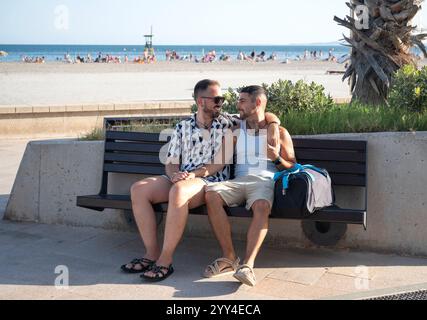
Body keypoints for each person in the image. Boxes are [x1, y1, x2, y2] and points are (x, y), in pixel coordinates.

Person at [121, 80, 281, 282]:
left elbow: (263, 113)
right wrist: (173, 174)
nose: (220, 103)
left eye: (221, 99)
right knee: (139, 189)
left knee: (178, 191)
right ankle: (151, 253)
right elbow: (171, 162)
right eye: (216, 99)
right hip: (182, 178)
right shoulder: (182, 126)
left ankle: (165, 260)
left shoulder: (229, 123)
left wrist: (274, 123)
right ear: (200, 101)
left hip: (208, 180)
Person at [203, 85, 296, 286]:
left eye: (243, 101)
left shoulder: (280, 132)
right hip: (238, 182)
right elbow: (218, 162)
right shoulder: (236, 131)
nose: (238, 105)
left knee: (262, 206)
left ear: (258, 103)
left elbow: (292, 166)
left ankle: (247, 266)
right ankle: (229, 258)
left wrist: (277, 157)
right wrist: (193, 174)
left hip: (264, 181)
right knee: (211, 194)